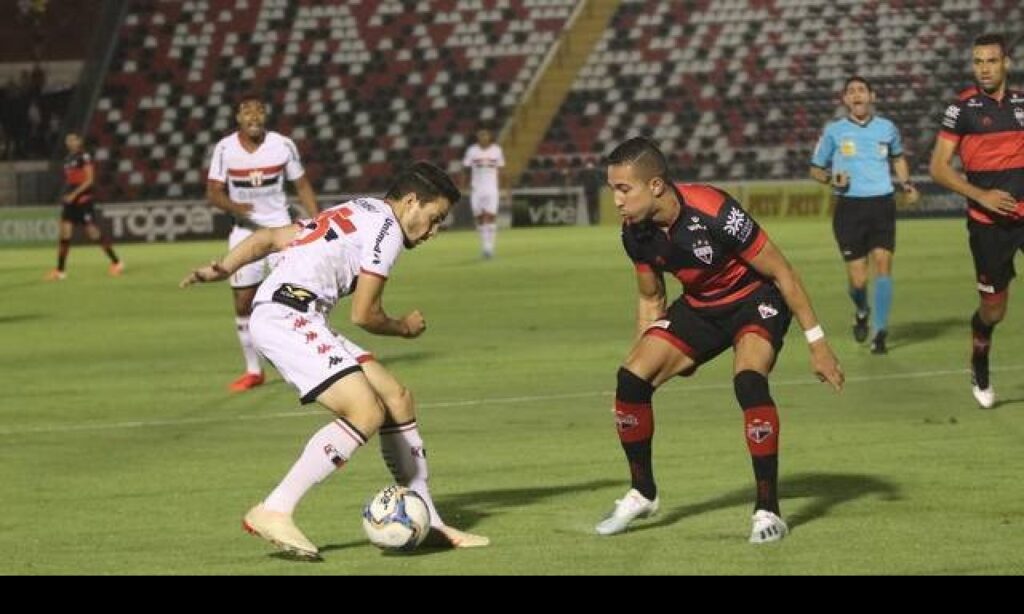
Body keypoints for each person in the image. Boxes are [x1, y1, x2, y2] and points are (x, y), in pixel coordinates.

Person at [181, 161, 489, 558]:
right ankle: (275, 508)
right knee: (365, 411)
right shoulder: (387, 230)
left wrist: (219, 269)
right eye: (434, 219)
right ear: (411, 201)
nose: (433, 231)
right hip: (287, 317)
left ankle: (428, 517)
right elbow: (365, 314)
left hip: (294, 314)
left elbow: (269, 238)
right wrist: (404, 328)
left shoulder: (357, 209)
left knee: (396, 397)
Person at [596, 137, 844, 543]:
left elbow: (783, 272)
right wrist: (650, 350)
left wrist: (818, 344)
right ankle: (643, 492)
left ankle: (768, 511)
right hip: (700, 308)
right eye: (613, 190)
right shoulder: (634, 234)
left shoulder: (714, 210)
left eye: (624, 189)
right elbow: (650, 297)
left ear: (655, 185)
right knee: (630, 381)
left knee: (748, 380)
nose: (617, 200)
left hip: (756, 300)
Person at [929, 33, 1024, 410]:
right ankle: (979, 361)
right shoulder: (962, 110)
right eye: (978, 62)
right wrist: (982, 195)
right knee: (993, 310)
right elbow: (937, 168)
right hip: (987, 225)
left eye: (991, 61)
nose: (984, 68)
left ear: (1006, 64)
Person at [207, 95, 320, 392]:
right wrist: (236, 207)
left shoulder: (282, 145)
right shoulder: (225, 149)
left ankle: (315, 356)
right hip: (244, 232)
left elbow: (302, 185)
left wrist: (318, 221)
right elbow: (213, 193)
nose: (254, 115)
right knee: (243, 301)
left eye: (259, 110)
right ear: (237, 117)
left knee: (299, 294)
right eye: (247, 110)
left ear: (266, 115)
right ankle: (253, 370)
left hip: (281, 230)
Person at [809, 76, 920, 354]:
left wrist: (906, 185)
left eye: (861, 90)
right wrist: (832, 179)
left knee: (883, 264)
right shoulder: (834, 132)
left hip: (882, 204)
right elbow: (815, 169)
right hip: (849, 208)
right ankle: (861, 310)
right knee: (858, 280)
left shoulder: (887, 128)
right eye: (851, 91)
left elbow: (898, 157)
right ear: (845, 100)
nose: (856, 95)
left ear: (872, 96)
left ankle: (880, 332)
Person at [44, 132, 122, 281]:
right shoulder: (68, 159)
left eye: (73, 139)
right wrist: (67, 195)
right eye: (68, 140)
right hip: (70, 202)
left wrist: (74, 194)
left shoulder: (84, 157)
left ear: (79, 141)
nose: (70, 142)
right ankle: (60, 271)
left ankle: (116, 262)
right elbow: (71, 180)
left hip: (83, 200)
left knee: (93, 232)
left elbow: (89, 180)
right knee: (65, 233)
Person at [462, 128, 505, 259]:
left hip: (492, 189)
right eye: (481, 135)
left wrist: (504, 188)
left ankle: (489, 247)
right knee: (480, 218)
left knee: (490, 216)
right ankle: (485, 244)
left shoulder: (497, 150)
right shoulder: (472, 151)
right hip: (476, 189)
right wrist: (462, 186)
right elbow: (465, 169)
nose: (483, 137)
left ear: (490, 136)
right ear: (478, 137)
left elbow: (502, 170)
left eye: (485, 135)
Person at [579, 156, 605, 225]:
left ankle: (597, 221)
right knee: (590, 208)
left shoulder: (597, 172)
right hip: (588, 192)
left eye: (590, 165)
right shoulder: (584, 173)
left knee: (596, 208)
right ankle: (592, 222)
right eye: (588, 165)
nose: (589, 167)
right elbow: (579, 177)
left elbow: (602, 180)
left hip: (595, 192)